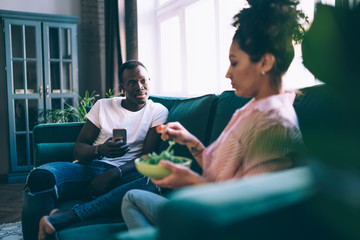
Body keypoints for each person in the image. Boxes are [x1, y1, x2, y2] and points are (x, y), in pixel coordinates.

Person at [121, 0, 306, 230]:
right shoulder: (253, 108)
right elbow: (220, 170)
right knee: (132, 198)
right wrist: (192, 142)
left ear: (265, 62)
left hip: (223, 226)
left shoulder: (273, 123)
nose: (228, 73)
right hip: (209, 208)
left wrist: (190, 181)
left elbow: (246, 212)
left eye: (234, 63)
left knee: (133, 200)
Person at [21, 60, 169, 240]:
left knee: (152, 180)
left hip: (125, 175)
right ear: (122, 87)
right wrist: (100, 150)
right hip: (88, 169)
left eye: (143, 80)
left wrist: (114, 173)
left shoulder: (157, 111)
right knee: (39, 177)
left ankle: (70, 215)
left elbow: (147, 157)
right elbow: (79, 149)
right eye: (132, 82)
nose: (140, 87)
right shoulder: (103, 106)